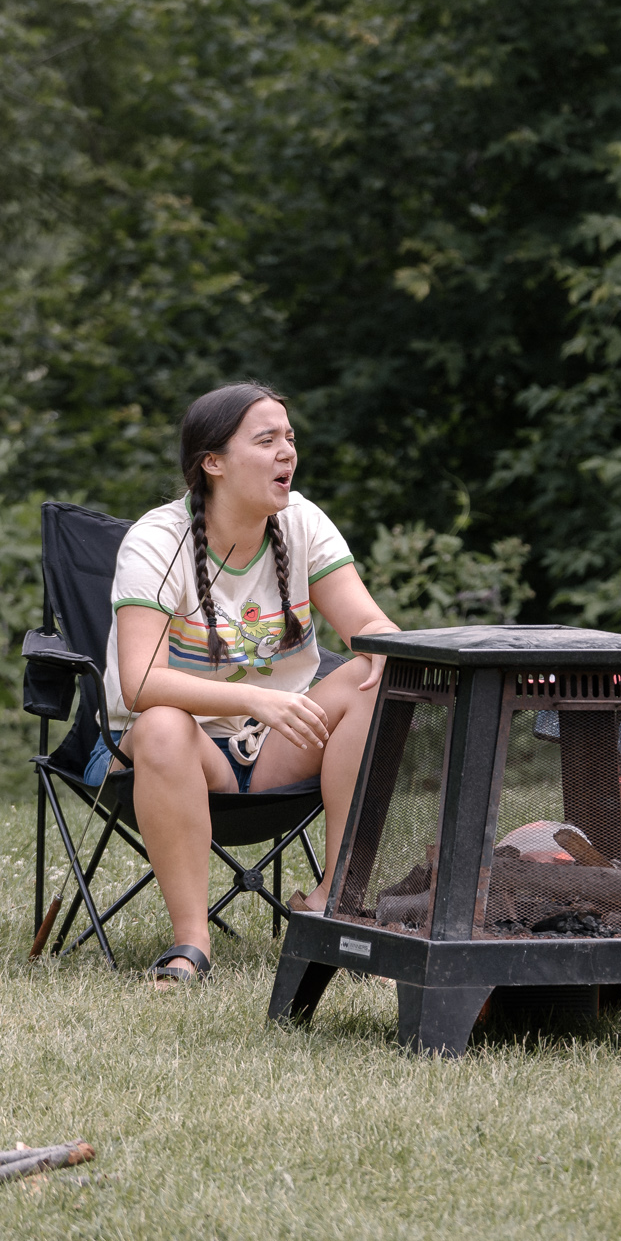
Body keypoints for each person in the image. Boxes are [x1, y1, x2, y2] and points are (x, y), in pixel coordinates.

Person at [101, 382, 400, 986]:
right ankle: (191, 941)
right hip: (174, 753)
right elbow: (139, 683)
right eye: (266, 441)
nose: (287, 452)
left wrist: (386, 645)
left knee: (376, 679)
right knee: (162, 723)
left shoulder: (301, 522)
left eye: (289, 437)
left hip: (276, 749)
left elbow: (366, 623)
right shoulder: (157, 541)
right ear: (213, 462)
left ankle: (336, 902)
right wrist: (254, 698)